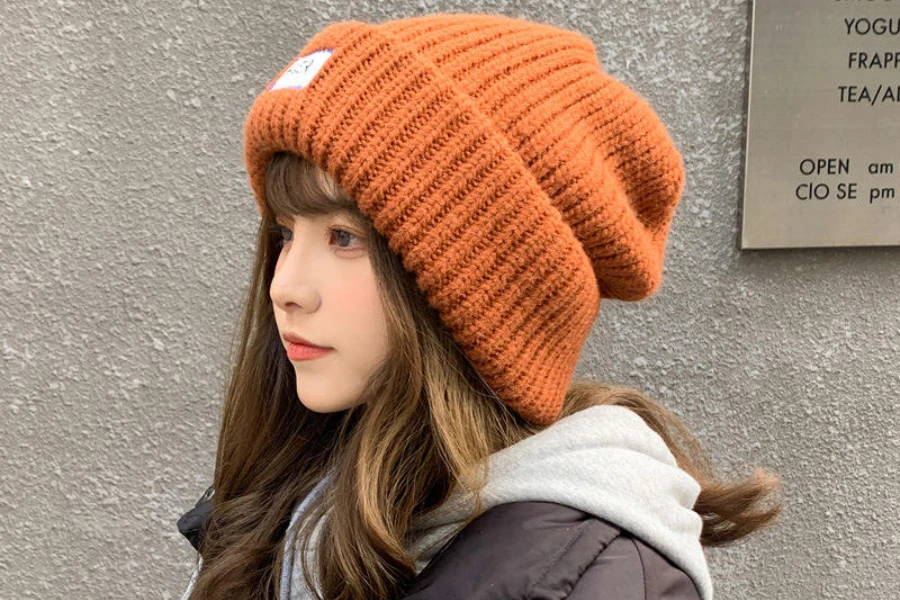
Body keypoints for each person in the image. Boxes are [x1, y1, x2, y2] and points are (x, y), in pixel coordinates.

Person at [176, 12, 782, 600]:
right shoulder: (306, 493)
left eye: (344, 237)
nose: (285, 287)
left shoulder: (594, 579)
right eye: (284, 233)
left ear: (494, 291)